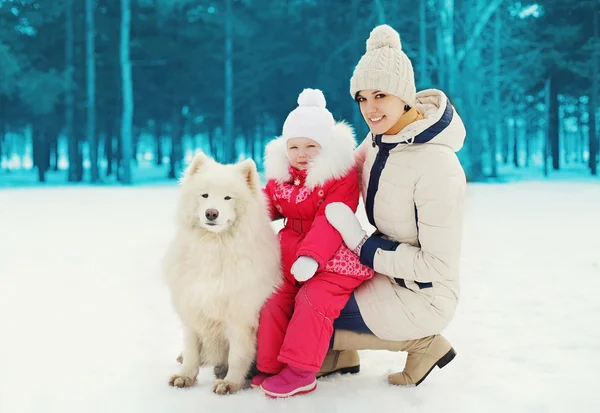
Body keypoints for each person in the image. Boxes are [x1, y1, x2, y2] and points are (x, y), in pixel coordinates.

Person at [318, 24, 467, 387]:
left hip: (423, 294)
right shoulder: (379, 140)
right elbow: (338, 177)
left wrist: (363, 247)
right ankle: (338, 353)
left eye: (380, 95)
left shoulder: (438, 165)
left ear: (404, 96)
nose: (369, 108)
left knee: (311, 311)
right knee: (305, 288)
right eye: (362, 98)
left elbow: (437, 263)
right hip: (386, 269)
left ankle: (425, 342)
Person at [253, 88, 375, 398]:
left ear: (326, 147)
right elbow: (264, 207)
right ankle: (269, 365)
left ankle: (301, 371)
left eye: (311, 146)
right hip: (290, 253)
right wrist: (239, 218)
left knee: (312, 300)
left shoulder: (339, 176)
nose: (302, 154)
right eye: (294, 146)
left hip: (334, 256)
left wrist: (311, 257)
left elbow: (330, 222)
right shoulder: (282, 177)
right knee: (274, 299)